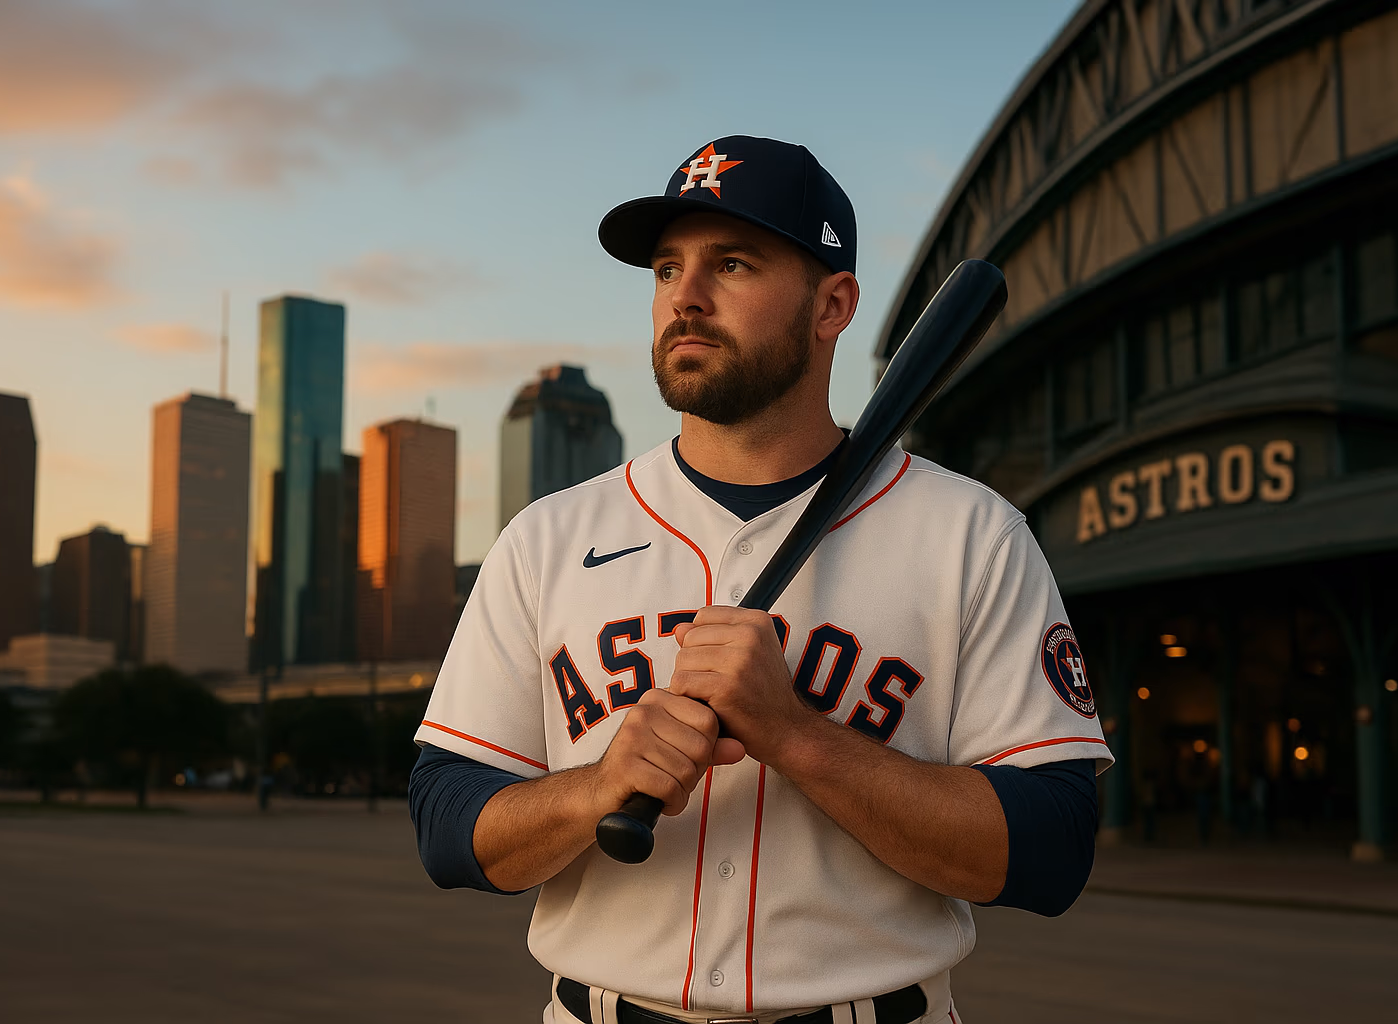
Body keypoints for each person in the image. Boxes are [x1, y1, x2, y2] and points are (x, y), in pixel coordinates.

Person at [410, 135, 1112, 1023]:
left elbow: (1053, 848)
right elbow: (447, 822)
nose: (686, 297)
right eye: (667, 270)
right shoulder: (547, 538)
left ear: (833, 305)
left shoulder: (969, 535)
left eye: (732, 264)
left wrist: (797, 736)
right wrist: (597, 787)